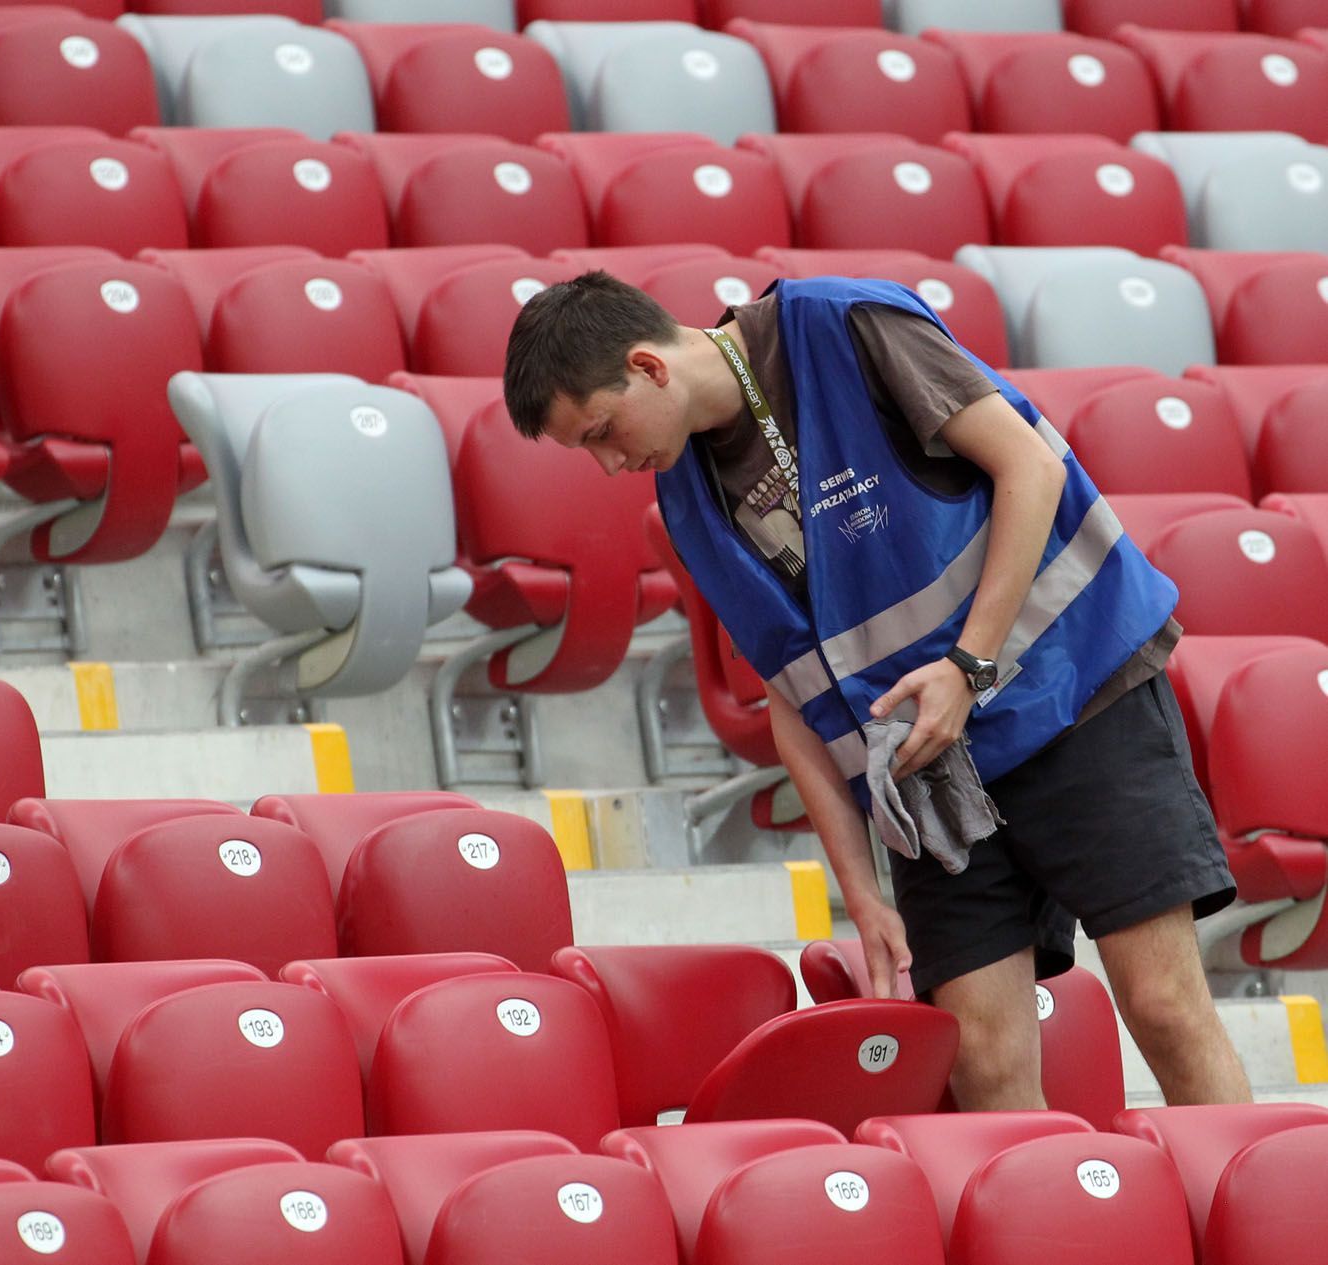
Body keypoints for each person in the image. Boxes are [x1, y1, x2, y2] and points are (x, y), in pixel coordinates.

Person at [503, 270, 1253, 1110]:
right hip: (929, 775)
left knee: (1165, 1008)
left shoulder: (843, 323)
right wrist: (860, 893)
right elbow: (793, 697)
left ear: (648, 365)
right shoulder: (683, 497)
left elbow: (1031, 468)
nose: (611, 465)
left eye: (603, 430)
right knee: (983, 1064)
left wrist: (968, 668)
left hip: (1074, 695)